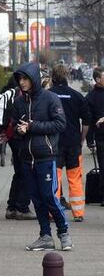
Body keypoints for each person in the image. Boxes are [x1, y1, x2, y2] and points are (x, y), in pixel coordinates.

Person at [11, 63, 71, 251]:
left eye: (25, 79)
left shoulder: (50, 98)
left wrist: (32, 126)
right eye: (19, 79)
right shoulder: (18, 102)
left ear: (34, 79)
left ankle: (64, 233)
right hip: (27, 158)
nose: (22, 82)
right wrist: (19, 130)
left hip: (46, 156)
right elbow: (14, 126)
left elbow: (60, 124)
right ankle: (45, 235)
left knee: (49, 196)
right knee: (36, 199)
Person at [50, 64, 91, 222]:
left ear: (53, 76)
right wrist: (82, 139)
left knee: (55, 178)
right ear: (67, 76)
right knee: (75, 177)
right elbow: (87, 120)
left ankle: (53, 212)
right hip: (74, 143)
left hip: (55, 144)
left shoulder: (49, 95)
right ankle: (78, 212)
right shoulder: (76, 95)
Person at [0, 77, 37, 220]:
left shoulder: (11, 94)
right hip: (19, 137)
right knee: (26, 173)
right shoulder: (22, 97)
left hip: (12, 138)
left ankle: (12, 207)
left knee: (19, 173)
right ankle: (22, 208)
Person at [86, 67, 104, 205]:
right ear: (98, 79)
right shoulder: (91, 97)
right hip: (101, 136)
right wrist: (89, 139)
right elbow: (89, 120)